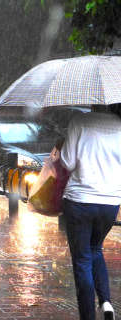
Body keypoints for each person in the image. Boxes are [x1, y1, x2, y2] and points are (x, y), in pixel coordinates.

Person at [60, 103, 121, 320]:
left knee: (83, 259)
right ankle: (106, 303)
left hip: (80, 201)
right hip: (110, 203)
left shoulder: (79, 121)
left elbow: (67, 162)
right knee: (95, 249)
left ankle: (87, 316)